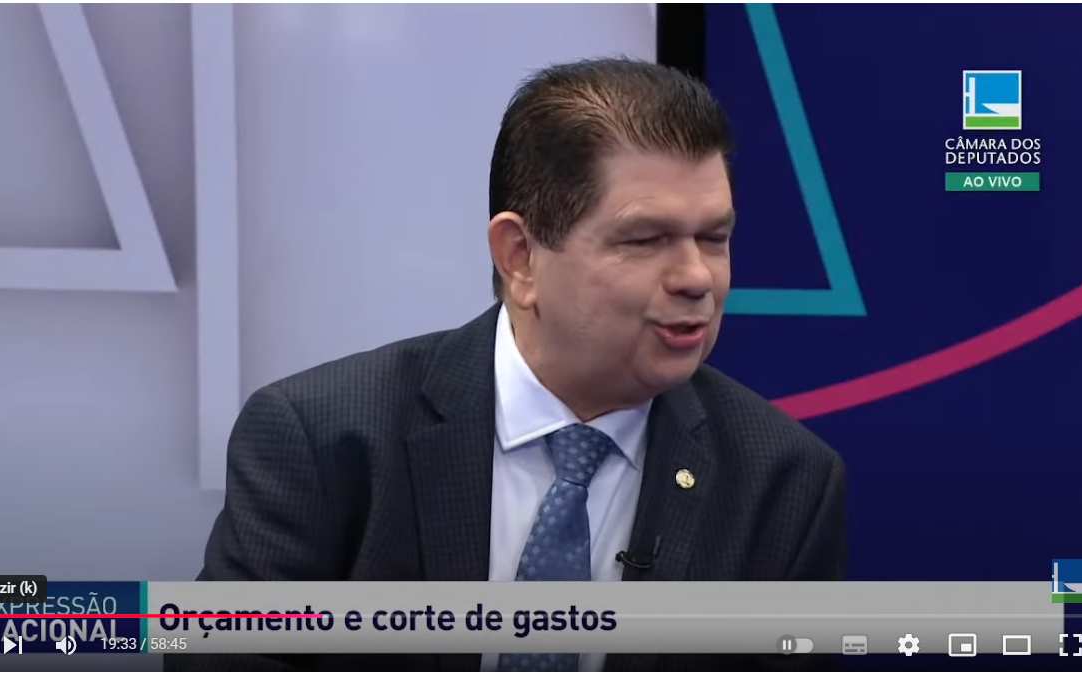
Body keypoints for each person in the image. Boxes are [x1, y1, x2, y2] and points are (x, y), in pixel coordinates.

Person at [167, 57, 845, 672]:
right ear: (520, 257)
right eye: (646, 239)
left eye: (714, 238)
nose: (697, 277)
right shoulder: (325, 442)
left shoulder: (783, 483)